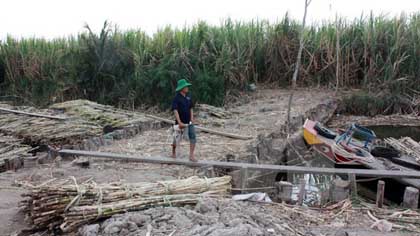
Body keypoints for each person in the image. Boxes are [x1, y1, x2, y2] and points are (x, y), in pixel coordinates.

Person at [171, 79, 197, 162]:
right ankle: (173, 152)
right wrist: (179, 122)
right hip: (180, 122)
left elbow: (191, 108)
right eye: (185, 86)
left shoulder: (189, 97)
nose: (187, 88)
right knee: (176, 138)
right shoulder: (176, 98)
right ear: (181, 88)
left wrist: (192, 118)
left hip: (189, 122)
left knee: (193, 137)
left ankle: (191, 155)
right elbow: (175, 110)